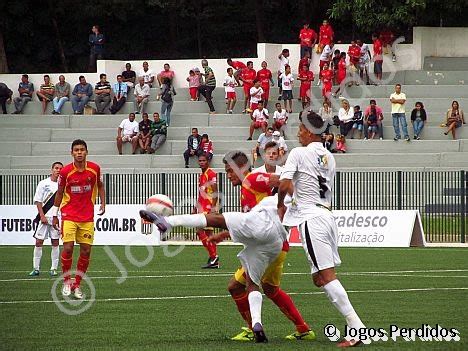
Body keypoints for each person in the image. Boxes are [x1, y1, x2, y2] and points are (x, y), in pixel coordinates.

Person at [140, 151, 314, 343]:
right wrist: (224, 234)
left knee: (238, 286)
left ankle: (254, 328)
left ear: (243, 169)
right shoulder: (248, 189)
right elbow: (249, 223)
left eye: (231, 171)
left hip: (271, 243)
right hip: (271, 243)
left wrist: (292, 204)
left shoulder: (253, 178)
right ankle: (301, 328)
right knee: (267, 289)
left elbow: (282, 180)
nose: (229, 175)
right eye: (227, 171)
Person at [277, 111, 368, 348]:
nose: (297, 132)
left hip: (311, 219)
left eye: (299, 128)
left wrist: (280, 207)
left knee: (327, 277)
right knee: (319, 278)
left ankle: (357, 329)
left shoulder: (298, 153)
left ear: (308, 131)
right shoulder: (329, 156)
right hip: (327, 215)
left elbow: (285, 184)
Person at [51, 139, 105, 299]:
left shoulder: (95, 169)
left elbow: (100, 185)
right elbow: (60, 192)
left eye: (82, 149)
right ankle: (67, 281)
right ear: (72, 153)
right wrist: (55, 214)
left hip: (87, 216)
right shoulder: (65, 171)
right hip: (69, 214)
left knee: (86, 251)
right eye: (76, 150)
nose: (79, 152)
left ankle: (77, 285)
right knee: (68, 248)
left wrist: (103, 202)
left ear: (86, 152)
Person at [29, 162, 63, 277]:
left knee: (55, 242)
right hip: (44, 217)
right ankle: (36, 268)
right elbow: (38, 200)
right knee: (39, 242)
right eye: (56, 168)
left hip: (57, 218)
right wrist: (42, 216)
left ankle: (53, 268)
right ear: (52, 169)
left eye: (60, 169)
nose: (58, 170)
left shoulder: (63, 184)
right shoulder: (43, 183)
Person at [194, 152, 219, 268]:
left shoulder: (211, 174)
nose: (201, 163)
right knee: (209, 234)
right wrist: (195, 208)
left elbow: (215, 192)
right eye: (200, 161)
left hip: (208, 208)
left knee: (199, 231)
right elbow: (201, 194)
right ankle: (214, 259)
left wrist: (213, 208)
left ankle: (214, 257)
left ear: (208, 161)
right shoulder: (201, 175)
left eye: (203, 161)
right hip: (202, 207)